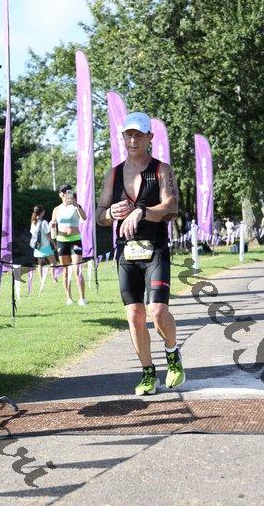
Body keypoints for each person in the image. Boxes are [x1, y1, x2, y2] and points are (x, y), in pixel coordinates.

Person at [96, 111, 183, 396]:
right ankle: (148, 373)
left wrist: (142, 211)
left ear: (149, 138)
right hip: (126, 253)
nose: (133, 140)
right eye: (128, 135)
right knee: (134, 316)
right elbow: (99, 215)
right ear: (122, 137)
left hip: (155, 249)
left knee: (157, 311)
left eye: (138, 135)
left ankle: (172, 354)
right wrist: (110, 213)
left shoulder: (161, 170)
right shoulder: (113, 174)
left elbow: (172, 207)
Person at [51, 184, 87, 306]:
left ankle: (82, 298)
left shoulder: (75, 206)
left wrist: (76, 204)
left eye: (67, 191)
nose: (65, 194)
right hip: (61, 241)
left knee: (77, 269)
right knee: (65, 271)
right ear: (60, 194)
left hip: (75, 240)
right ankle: (69, 298)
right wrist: (52, 226)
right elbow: (53, 226)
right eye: (63, 192)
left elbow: (84, 217)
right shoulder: (57, 209)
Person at [30, 205, 57, 284]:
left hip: (37, 247)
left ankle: (41, 280)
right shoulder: (44, 222)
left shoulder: (33, 222)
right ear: (42, 212)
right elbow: (48, 235)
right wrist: (54, 245)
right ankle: (53, 278)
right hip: (45, 246)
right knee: (53, 262)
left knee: (40, 264)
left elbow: (32, 234)